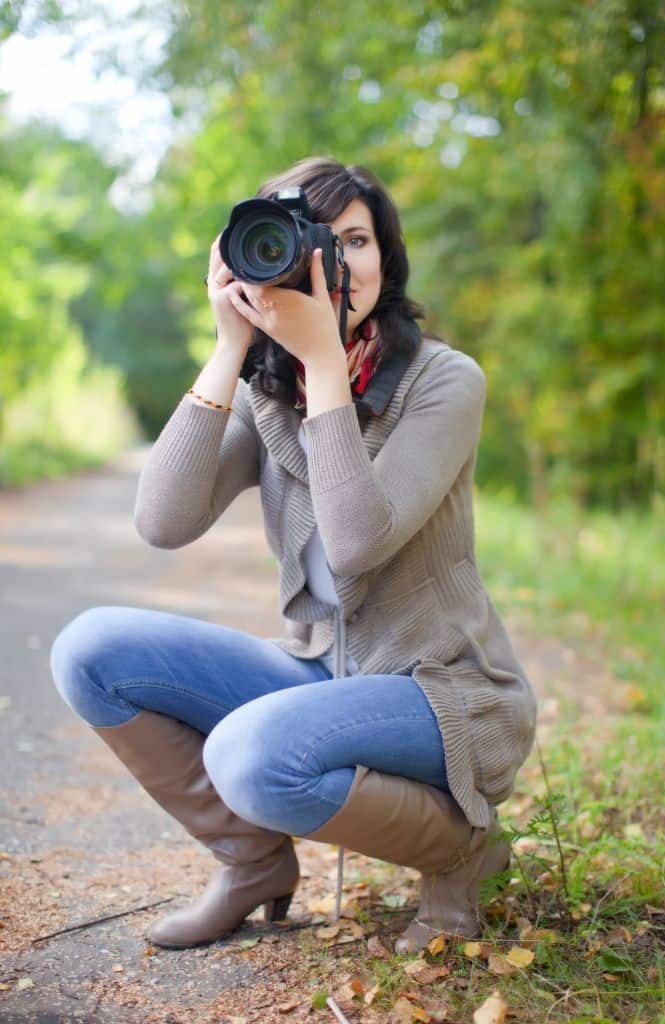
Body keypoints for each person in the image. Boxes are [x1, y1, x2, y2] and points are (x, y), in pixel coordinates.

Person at [50, 156, 537, 955]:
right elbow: (162, 522)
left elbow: (355, 546)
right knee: (90, 650)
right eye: (318, 242)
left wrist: (320, 362)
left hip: (442, 691)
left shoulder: (444, 382)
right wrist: (227, 350)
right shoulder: (264, 387)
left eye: (356, 240)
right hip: (323, 673)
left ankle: (463, 853)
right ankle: (250, 866)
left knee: (253, 756)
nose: (338, 264)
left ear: (387, 257)